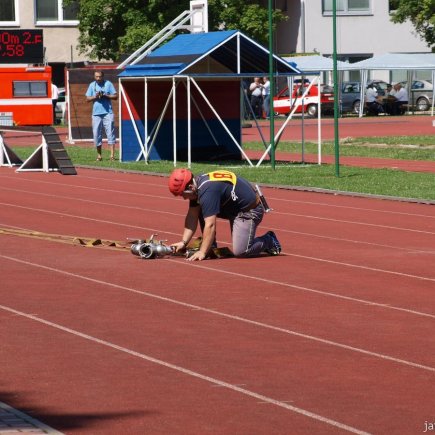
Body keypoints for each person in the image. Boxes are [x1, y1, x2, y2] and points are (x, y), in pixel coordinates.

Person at [168, 168, 282, 261]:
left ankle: (269, 240)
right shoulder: (198, 185)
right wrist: (183, 242)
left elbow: (210, 225)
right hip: (234, 207)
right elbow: (192, 216)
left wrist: (202, 252)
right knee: (201, 209)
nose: (183, 198)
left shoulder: (207, 191)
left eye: (182, 194)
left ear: (190, 187)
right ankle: (210, 246)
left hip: (249, 211)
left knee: (241, 251)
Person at [85, 70, 117, 161]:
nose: (98, 78)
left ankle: (112, 156)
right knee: (96, 134)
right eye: (96, 77)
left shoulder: (108, 84)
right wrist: (95, 96)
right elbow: (87, 99)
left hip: (108, 112)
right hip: (96, 114)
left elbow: (115, 96)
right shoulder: (92, 85)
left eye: (100, 77)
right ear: (94, 77)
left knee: (110, 132)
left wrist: (105, 95)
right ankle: (99, 155)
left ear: (103, 76)